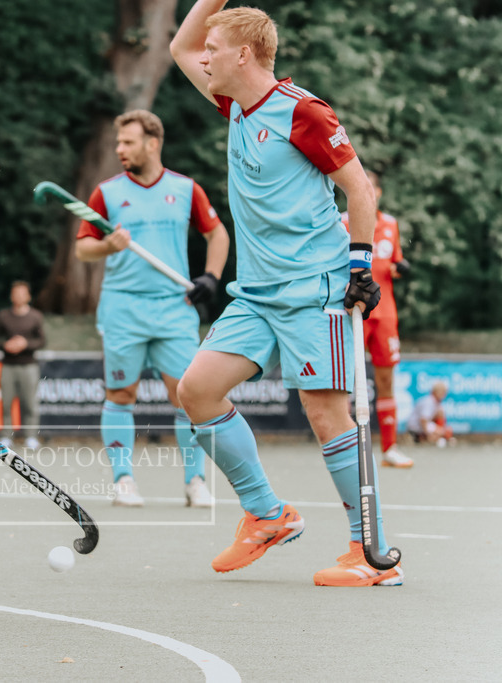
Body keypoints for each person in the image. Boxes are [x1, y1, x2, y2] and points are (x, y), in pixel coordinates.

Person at [171, 2, 402, 587]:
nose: (205, 56)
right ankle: (267, 515)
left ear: (243, 54)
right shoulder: (234, 106)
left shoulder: (305, 114)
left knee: (326, 414)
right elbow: (178, 47)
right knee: (196, 390)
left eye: (215, 46)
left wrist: (360, 265)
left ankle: (369, 552)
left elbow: (360, 190)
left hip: (313, 290)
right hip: (256, 293)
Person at [74, 109, 229, 508]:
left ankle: (195, 481)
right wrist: (108, 245)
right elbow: (82, 248)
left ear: (152, 143)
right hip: (123, 309)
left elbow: (217, 234)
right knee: (121, 394)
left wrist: (210, 277)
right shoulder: (106, 193)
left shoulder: (185, 189)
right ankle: (123, 480)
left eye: (128, 142)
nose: (120, 149)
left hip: (175, 310)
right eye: (118, 142)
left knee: (189, 397)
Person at [344, 170, 413, 467]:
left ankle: (389, 449)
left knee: (385, 379)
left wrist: (400, 267)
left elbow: (392, 261)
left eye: (372, 185)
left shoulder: (391, 224)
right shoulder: (342, 222)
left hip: (385, 313)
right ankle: (348, 449)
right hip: (354, 311)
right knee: (345, 381)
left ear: (379, 192)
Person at [0, 280, 46, 449]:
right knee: (6, 402)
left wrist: (25, 344)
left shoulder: (35, 316)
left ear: (28, 296)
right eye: (16, 293)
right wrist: (6, 345)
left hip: (29, 365)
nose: (19, 296)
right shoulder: (4, 316)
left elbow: (42, 341)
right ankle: (7, 436)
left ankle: (31, 436)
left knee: (30, 403)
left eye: (22, 293)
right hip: (8, 365)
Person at [407, 381, 454, 447]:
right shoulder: (429, 402)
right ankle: (422, 438)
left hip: (422, 426)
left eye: (445, 392)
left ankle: (436, 438)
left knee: (441, 415)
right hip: (415, 428)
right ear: (435, 391)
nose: (444, 394)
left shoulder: (436, 403)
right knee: (445, 432)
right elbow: (423, 421)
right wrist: (429, 434)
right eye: (442, 391)